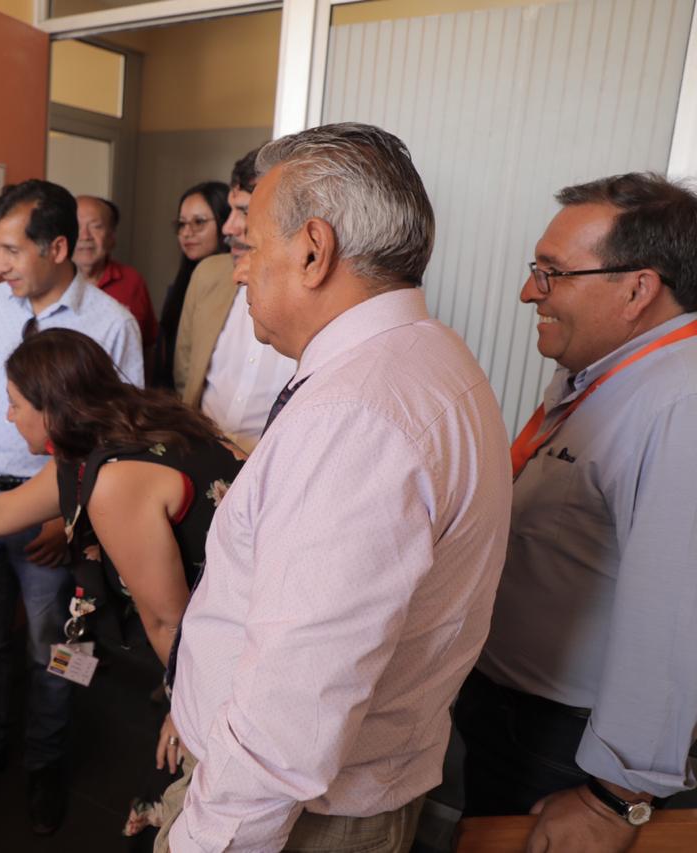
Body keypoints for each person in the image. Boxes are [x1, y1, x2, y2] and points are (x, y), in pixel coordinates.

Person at [157, 123, 512, 853]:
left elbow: (291, 706)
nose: (240, 272)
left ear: (314, 251)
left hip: (294, 817)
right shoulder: (424, 354)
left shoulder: (355, 418)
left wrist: (203, 839)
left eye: (251, 246)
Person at [454, 173, 697, 852]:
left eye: (552, 273)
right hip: (521, 717)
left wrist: (613, 798)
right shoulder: (607, 374)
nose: (530, 291)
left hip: (574, 748)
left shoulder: (681, 402)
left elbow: (676, 614)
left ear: (637, 289)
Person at [0, 179, 143, 835]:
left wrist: (67, 518)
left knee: (54, 648)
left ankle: (46, 763)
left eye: (11, 250)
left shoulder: (110, 324)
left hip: (53, 519)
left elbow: (121, 439)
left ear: (56, 248)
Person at [0, 327, 241, 669]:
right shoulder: (115, 432)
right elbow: (3, 511)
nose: (8, 416)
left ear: (52, 410)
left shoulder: (115, 481)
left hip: (232, 636)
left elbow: (167, 623)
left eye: (14, 404)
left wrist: (185, 709)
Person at [173, 148, 297, 453]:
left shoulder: (316, 302)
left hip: (271, 466)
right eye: (231, 211)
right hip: (200, 454)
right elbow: (186, 371)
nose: (228, 228)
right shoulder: (208, 274)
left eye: (244, 211)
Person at [153, 181, 229, 391]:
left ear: (225, 222)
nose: (187, 233)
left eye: (199, 222)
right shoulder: (178, 286)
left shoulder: (237, 289)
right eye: (182, 224)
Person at [74, 195, 158, 355]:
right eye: (76, 226)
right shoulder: (48, 282)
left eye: (96, 227)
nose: (85, 236)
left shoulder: (133, 282)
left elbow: (147, 345)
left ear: (112, 237)